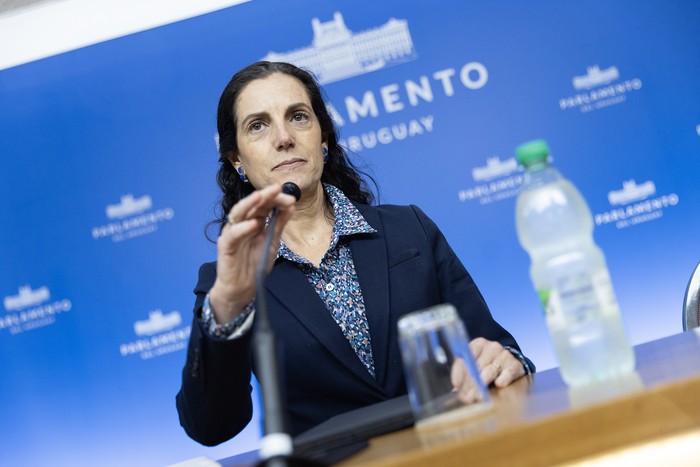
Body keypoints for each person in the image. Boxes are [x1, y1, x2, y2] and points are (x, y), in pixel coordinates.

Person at [176, 61, 534, 447]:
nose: (283, 137)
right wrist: (229, 302)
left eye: (298, 117)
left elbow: (498, 346)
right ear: (237, 160)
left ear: (323, 138)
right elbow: (211, 427)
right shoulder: (227, 283)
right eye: (258, 126)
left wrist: (508, 361)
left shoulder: (408, 228)